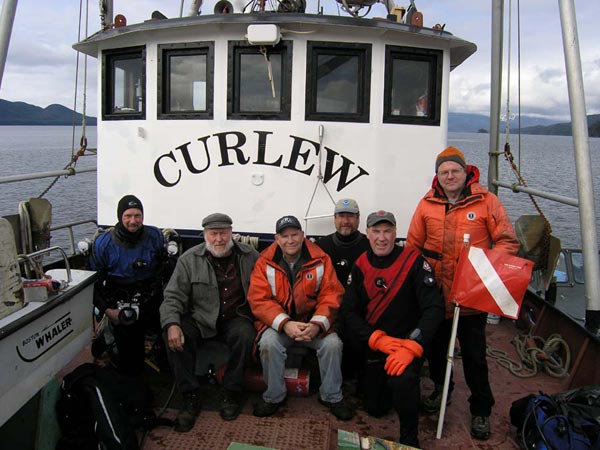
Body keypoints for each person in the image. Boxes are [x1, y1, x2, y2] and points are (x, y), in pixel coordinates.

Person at [406, 146, 520, 440]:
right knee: (437, 351)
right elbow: (413, 248)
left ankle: (481, 409)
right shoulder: (427, 204)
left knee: (474, 355)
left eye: (455, 170)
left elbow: (507, 241)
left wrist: (484, 275)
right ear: (437, 176)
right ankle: (443, 393)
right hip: (436, 296)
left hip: (471, 297)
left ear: (466, 171)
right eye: (444, 172)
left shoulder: (487, 202)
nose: (450, 176)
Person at [341, 210, 444, 447]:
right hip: (379, 345)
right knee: (375, 408)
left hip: (406, 345)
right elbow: (349, 312)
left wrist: (414, 344)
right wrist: (375, 339)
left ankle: (410, 436)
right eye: (376, 231)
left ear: (396, 234)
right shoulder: (361, 265)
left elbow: (434, 309)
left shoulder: (414, 263)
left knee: (402, 380)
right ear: (367, 234)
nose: (382, 237)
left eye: (387, 231)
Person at [160, 213, 259, 431]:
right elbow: (172, 296)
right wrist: (171, 324)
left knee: (245, 336)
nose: (219, 239)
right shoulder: (188, 259)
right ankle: (190, 395)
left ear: (231, 234)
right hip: (200, 318)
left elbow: (266, 289)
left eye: (223, 233)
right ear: (205, 235)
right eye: (213, 234)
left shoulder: (250, 256)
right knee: (176, 336)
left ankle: (232, 392)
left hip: (236, 317)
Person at [247, 215, 354, 421]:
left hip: (312, 325)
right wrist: (285, 324)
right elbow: (259, 300)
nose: (290, 240)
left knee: (332, 344)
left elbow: (332, 294)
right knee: (268, 343)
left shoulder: (321, 259)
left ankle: (332, 396)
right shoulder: (264, 262)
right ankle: (274, 397)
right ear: (276, 238)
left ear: (303, 235)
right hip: (281, 326)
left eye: (294, 234)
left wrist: (317, 324)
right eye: (285, 236)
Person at [91, 194, 166, 377]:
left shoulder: (154, 236)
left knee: (169, 329)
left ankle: (165, 367)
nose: (133, 221)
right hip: (120, 300)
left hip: (151, 295)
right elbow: (92, 283)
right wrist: (108, 310)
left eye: (137, 216)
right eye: (128, 216)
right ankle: (132, 380)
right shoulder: (104, 244)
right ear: (120, 217)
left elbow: (164, 268)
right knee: (130, 350)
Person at [317, 198, 370, 286]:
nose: (346, 221)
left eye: (350, 216)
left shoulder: (370, 246)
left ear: (358, 218)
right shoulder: (321, 247)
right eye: (341, 216)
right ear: (335, 218)